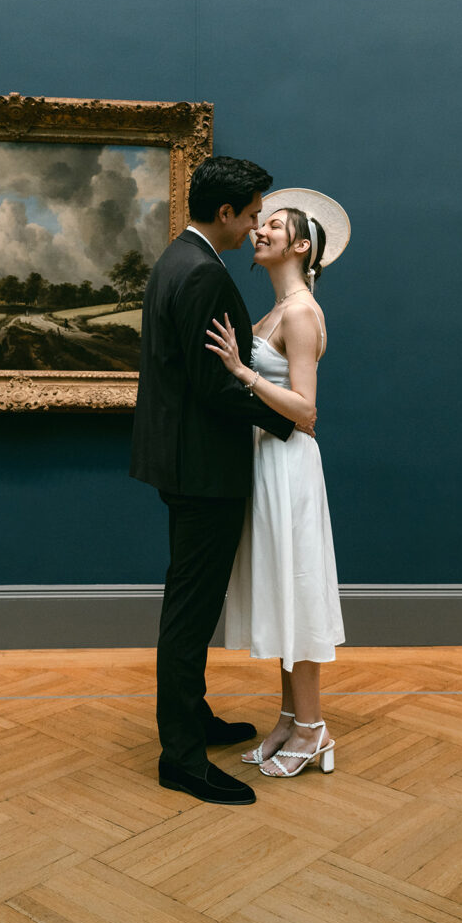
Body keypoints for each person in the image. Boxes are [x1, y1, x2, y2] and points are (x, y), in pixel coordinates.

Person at [130, 158, 316, 807]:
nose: (257, 224)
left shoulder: (176, 259)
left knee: (191, 605)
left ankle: (195, 722)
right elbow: (212, 383)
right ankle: (181, 756)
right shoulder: (203, 274)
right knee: (189, 614)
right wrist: (289, 420)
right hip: (202, 470)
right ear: (227, 214)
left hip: (180, 463)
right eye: (253, 213)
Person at [205, 188, 350, 778]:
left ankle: (314, 728)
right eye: (259, 224)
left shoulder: (300, 312)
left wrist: (241, 372)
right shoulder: (275, 309)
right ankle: (290, 719)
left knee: (299, 592)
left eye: (274, 226)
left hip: (289, 466)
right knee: (284, 596)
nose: (259, 231)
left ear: (302, 245)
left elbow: (307, 410)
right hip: (268, 465)